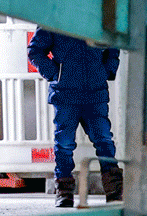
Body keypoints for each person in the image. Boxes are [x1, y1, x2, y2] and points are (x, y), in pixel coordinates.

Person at [28, 29, 122, 207]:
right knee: (64, 144)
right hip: (66, 94)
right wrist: (55, 75)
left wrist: (107, 71)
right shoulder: (55, 18)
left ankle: (115, 192)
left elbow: (113, 44)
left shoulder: (98, 16)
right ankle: (64, 194)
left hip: (95, 94)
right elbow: (35, 51)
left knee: (104, 142)